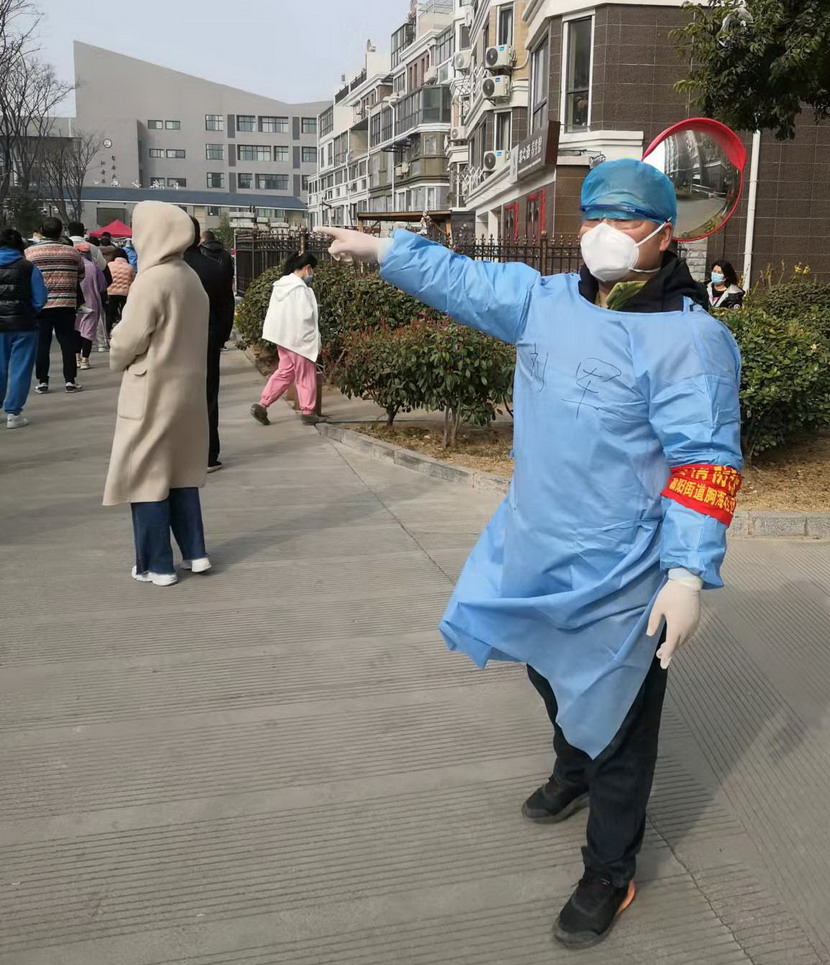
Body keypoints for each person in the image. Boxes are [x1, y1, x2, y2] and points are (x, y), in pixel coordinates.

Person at [321, 158, 743, 950]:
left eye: (625, 219)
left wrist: (687, 572)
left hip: (624, 571)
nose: (604, 233)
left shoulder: (692, 340)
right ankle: (570, 766)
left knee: (621, 728)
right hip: (536, 543)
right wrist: (386, 250)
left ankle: (609, 871)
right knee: (544, 668)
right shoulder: (544, 301)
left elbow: (706, 461)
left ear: (665, 234)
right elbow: (465, 280)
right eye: (594, 215)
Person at [103, 201, 211, 587]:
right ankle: (195, 553)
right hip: (188, 391)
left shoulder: (152, 280)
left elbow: (128, 340)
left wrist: (116, 355)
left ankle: (157, 565)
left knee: (146, 474)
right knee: (180, 472)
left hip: (152, 389)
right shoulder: (189, 277)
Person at [249, 252, 325, 427]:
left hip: (283, 338)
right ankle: (308, 412)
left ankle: (262, 404)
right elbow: (305, 317)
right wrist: (313, 342)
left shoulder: (281, 285)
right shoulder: (299, 289)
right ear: (307, 268)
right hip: (299, 341)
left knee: (285, 372)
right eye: (313, 269)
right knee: (306, 375)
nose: (313, 274)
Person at [183, 217, 230, 472]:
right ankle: (209, 453)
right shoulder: (214, 267)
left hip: (174, 342)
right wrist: (220, 337)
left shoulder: (164, 270)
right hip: (208, 337)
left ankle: (180, 453)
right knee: (208, 396)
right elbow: (226, 305)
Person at [25, 216, 86, 393]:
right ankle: (70, 381)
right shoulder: (72, 252)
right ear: (61, 232)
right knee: (67, 342)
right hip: (66, 303)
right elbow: (81, 275)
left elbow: (26, 277)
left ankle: (43, 381)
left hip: (40, 305)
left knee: (42, 344)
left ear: (41, 231)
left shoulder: (30, 253)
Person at [0, 228, 48, 428]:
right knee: (21, 369)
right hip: (24, 324)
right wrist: (30, 311)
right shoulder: (28, 267)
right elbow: (40, 298)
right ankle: (14, 414)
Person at [74, 243, 108, 369]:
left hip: (77, 303)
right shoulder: (93, 266)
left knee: (77, 329)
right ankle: (85, 360)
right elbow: (102, 285)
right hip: (91, 303)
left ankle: (77, 357)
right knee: (88, 331)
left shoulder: (73, 265)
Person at [106, 248, 136, 335]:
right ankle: (124, 332)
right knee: (124, 313)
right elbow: (133, 280)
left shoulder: (109, 265)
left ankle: (107, 331)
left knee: (110, 313)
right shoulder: (129, 267)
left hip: (111, 292)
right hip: (125, 293)